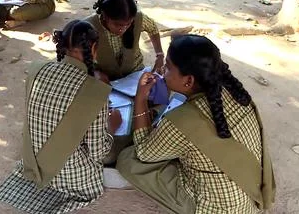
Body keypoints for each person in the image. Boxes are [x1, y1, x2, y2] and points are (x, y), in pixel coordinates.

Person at [116, 35, 276, 213]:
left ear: (189, 81)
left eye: (168, 67)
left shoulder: (180, 122)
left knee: (128, 159)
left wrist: (140, 98)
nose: (162, 70)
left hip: (217, 208)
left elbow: (143, 153)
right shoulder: (236, 93)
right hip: (249, 195)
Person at [0, 20, 121, 213]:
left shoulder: (36, 69)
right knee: (118, 144)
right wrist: (111, 126)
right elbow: (97, 153)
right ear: (93, 48)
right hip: (71, 177)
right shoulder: (95, 91)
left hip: (32, 163)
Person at [84, 0, 164, 81]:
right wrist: (93, 72)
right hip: (106, 79)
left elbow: (152, 28)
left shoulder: (138, 18)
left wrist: (160, 55)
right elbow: (75, 58)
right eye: (117, 25)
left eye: (128, 24)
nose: (123, 29)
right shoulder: (88, 27)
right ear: (105, 16)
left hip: (135, 73)